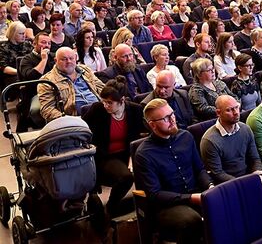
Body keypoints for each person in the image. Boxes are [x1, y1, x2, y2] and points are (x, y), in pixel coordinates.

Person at [134, 99, 213, 244]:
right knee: (191, 220)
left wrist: (210, 187)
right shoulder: (144, 154)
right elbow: (155, 194)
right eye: (165, 118)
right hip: (167, 206)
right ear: (152, 125)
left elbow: (199, 169)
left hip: (195, 194)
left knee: (223, 205)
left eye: (172, 114)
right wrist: (190, 198)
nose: (172, 120)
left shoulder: (186, 137)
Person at [82, 76, 146, 217]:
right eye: (104, 101)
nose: (105, 105)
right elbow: (82, 129)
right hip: (104, 155)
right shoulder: (97, 109)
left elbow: (139, 134)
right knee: (126, 178)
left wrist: (132, 157)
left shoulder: (135, 110)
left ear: (122, 101)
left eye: (109, 103)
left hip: (126, 154)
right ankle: (111, 207)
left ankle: (147, 207)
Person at [200, 95, 262, 184]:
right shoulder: (209, 140)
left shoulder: (245, 129)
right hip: (228, 185)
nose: (236, 112)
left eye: (236, 107)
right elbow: (218, 174)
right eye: (229, 110)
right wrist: (243, 183)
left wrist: (258, 175)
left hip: (248, 177)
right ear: (218, 113)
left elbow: (255, 159)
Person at [39, 46, 105, 122]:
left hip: (100, 113)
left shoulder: (86, 70)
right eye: (64, 59)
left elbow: (104, 90)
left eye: (71, 58)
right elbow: (47, 110)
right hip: (74, 120)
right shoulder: (47, 81)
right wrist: (70, 120)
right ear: (55, 60)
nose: (69, 61)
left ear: (76, 58)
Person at [17, 32, 55, 131]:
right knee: (36, 110)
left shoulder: (54, 57)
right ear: (34, 44)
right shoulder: (26, 59)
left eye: (49, 43)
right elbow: (31, 77)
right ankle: (43, 128)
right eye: (43, 42)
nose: (46, 45)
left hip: (55, 90)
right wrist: (43, 60)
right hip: (35, 93)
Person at [188, 58, 238, 122]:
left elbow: (233, 96)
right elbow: (203, 109)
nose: (213, 71)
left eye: (213, 68)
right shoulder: (196, 90)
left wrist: (236, 104)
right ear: (199, 74)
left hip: (231, 115)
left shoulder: (219, 83)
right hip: (213, 121)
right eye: (209, 70)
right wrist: (226, 109)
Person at [0, 21, 33, 91]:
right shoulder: (3, 47)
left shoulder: (27, 44)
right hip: (12, 75)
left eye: (25, 33)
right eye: (21, 33)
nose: (24, 35)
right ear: (13, 34)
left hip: (28, 74)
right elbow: (4, 68)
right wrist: (21, 72)